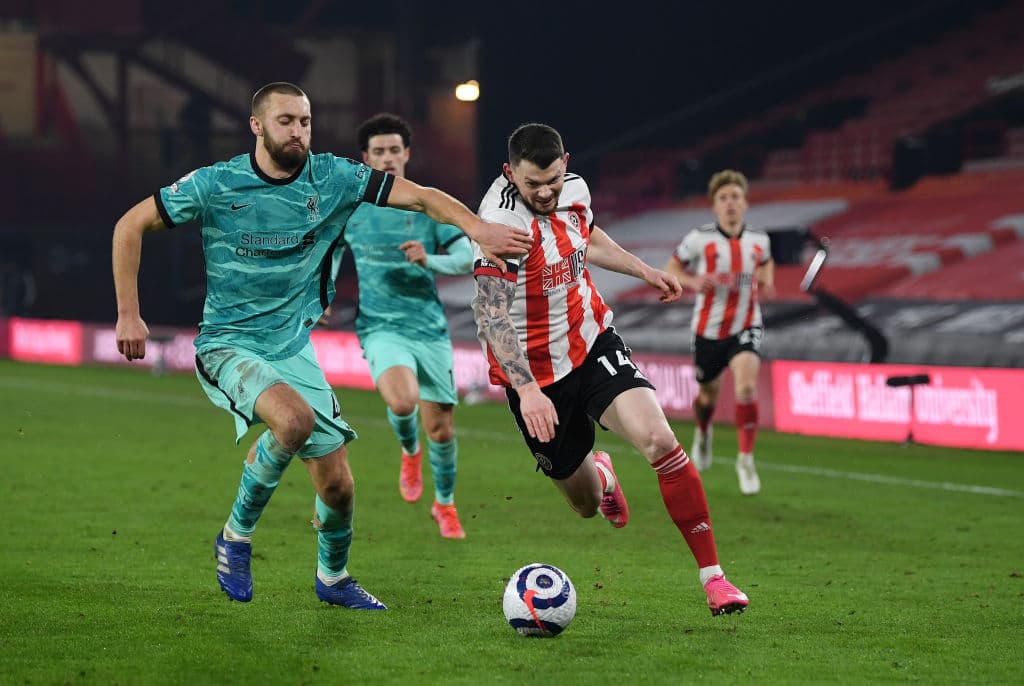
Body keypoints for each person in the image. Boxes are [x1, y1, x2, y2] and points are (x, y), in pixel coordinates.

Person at [111, 82, 530, 609]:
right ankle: (234, 538)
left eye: (305, 121)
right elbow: (131, 223)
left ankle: (332, 579)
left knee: (338, 488)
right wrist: (129, 311)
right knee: (294, 421)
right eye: (286, 121)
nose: (298, 131)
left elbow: (421, 197)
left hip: (292, 346)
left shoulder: (333, 177)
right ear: (257, 126)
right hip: (229, 343)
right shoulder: (217, 184)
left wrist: (477, 227)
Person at [471, 123, 749, 617]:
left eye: (552, 180)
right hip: (536, 378)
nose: (544, 192)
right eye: (532, 183)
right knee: (583, 504)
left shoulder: (574, 190)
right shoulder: (499, 225)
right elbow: (490, 315)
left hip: (592, 340)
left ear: (566, 164)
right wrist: (529, 389)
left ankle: (715, 579)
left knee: (661, 441)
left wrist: (643, 270)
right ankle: (600, 472)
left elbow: (586, 237)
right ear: (509, 173)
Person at [341, 112, 471, 538]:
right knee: (402, 402)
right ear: (366, 158)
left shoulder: (427, 205)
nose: (388, 158)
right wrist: (317, 296)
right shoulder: (352, 208)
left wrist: (428, 259)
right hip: (380, 325)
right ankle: (409, 450)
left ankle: (445, 505)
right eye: (378, 152)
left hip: (428, 327)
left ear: (407, 154)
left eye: (394, 150)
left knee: (442, 426)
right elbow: (326, 255)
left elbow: (468, 257)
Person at [663, 169, 775, 495]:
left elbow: (766, 262)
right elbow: (671, 269)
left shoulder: (759, 240)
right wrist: (694, 282)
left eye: (735, 198)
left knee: (745, 389)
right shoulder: (699, 238)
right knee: (708, 396)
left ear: (745, 203)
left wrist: (767, 280)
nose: (730, 204)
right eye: (723, 198)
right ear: (714, 205)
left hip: (747, 324)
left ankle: (745, 459)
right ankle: (703, 431)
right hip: (708, 330)